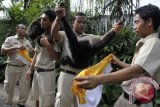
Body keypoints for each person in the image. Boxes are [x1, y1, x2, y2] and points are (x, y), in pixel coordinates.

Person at [75, 4, 160, 107]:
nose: (134, 27)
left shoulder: (153, 43)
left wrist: (98, 79)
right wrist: (117, 62)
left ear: (149, 22)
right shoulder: (144, 42)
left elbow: (136, 70)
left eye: (137, 22)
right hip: (126, 97)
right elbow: (139, 70)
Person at [51, 6, 123, 107]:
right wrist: (60, 17)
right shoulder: (65, 35)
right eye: (79, 22)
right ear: (73, 22)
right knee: (62, 104)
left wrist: (113, 31)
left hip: (82, 76)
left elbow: (103, 40)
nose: (82, 24)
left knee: (81, 105)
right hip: (67, 76)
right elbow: (55, 33)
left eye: (84, 22)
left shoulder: (90, 37)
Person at [25, 9, 60, 107]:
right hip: (37, 72)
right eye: (41, 19)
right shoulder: (41, 36)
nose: (41, 21)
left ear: (52, 22)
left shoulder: (56, 37)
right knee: (37, 98)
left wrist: (48, 45)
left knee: (47, 101)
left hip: (47, 73)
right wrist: (30, 70)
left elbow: (57, 58)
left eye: (44, 19)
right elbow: (36, 54)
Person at [1, 24, 34, 107]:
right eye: (22, 28)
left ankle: (22, 103)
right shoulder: (10, 39)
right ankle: (8, 102)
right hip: (12, 66)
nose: (24, 30)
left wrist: (36, 49)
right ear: (17, 29)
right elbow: (3, 50)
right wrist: (16, 47)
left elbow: (31, 51)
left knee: (25, 86)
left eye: (25, 28)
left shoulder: (27, 41)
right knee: (9, 86)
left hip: (25, 67)